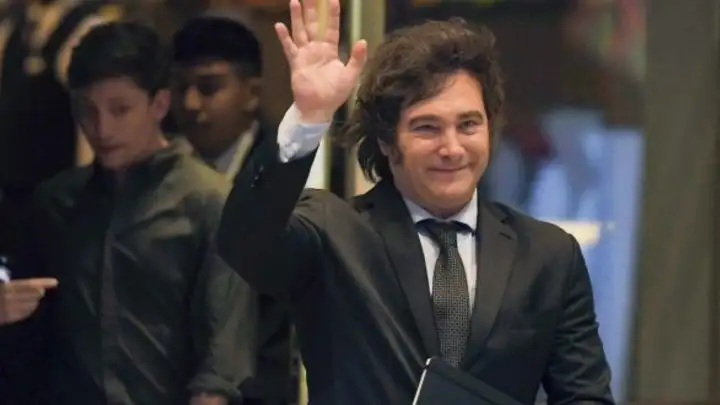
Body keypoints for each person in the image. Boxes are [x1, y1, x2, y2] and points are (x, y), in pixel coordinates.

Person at [216, 1, 614, 404]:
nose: (452, 148)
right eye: (427, 127)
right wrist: (309, 116)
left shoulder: (548, 256)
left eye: (468, 125)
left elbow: (585, 396)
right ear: (387, 142)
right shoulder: (333, 232)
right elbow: (245, 242)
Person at [11, 21, 257, 405]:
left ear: (159, 104)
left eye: (120, 109)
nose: (102, 128)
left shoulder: (209, 202)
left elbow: (222, 360)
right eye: (87, 110)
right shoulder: (56, 203)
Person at [171, 10, 296, 405]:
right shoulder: (162, 175)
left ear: (252, 93)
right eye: (181, 87)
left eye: (209, 88)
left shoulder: (289, 176)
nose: (191, 104)